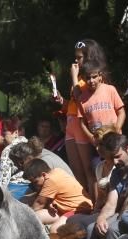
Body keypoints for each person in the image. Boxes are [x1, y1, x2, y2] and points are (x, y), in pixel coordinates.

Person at [55, 40, 107, 191]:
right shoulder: (80, 78)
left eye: (79, 57)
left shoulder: (92, 79)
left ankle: (93, 204)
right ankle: (84, 204)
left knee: (87, 170)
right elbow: (73, 104)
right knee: (76, 171)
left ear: (89, 56)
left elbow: (82, 101)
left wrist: (74, 77)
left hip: (80, 124)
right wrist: (62, 101)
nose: (76, 61)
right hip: (70, 123)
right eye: (76, 57)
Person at [25, 158, 93, 232]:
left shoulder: (51, 180)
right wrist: (49, 204)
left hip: (78, 210)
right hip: (62, 210)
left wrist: (24, 217)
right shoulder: (57, 171)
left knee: (55, 230)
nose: (35, 186)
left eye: (35, 182)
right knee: (36, 216)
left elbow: (39, 204)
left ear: (43, 174)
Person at [73, 60, 125, 144]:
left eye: (94, 77)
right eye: (88, 78)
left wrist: (117, 128)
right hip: (98, 141)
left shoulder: (110, 89)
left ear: (100, 76)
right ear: (83, 78)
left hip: (115, 137)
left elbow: (121, 112)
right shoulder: (82, 98)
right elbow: (82, 123)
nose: (91, 80)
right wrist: (91, 137)